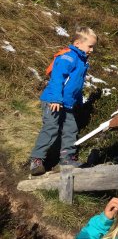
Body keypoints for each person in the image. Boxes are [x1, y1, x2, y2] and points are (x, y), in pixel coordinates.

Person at [29, 27, 98, 176]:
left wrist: (78, 101)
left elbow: (76, 84)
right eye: (90, 46)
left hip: (68, 104)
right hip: (53, 100)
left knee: (70, 129)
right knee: (51, 129)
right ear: (78, 43)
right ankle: (37, 160)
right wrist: (55, 99)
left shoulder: (82, 61)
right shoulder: (67, 57)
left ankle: (67, 159)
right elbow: (57, 79)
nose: (92, 50)